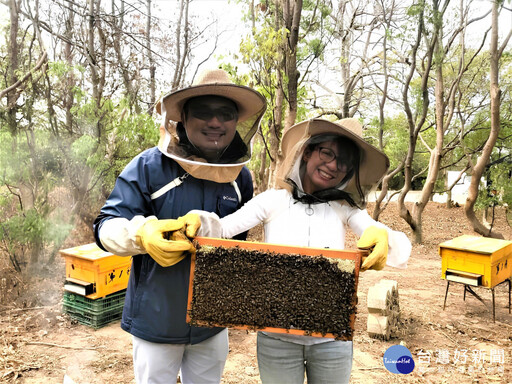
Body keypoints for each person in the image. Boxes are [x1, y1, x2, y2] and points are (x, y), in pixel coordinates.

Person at [192, 118, 411, 384]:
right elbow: (222, 229)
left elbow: (394, 248)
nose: (333, 166)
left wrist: (384, 237)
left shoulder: (346, 209)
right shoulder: (273, 201)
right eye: (327, 153)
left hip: (332, 340)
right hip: (276, 340)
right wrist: (195, 222)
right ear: (308, 152)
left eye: (343, 162)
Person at [92, 68, 266, 384]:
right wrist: (140, 234)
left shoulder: (241, 178)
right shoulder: (147, 166)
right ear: (182, 118)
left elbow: (235, 245)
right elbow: (105, 226)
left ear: (236, 123)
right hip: (155, 320)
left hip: (212, 323)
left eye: (225, 114)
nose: (216, 122)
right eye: (203, 112)